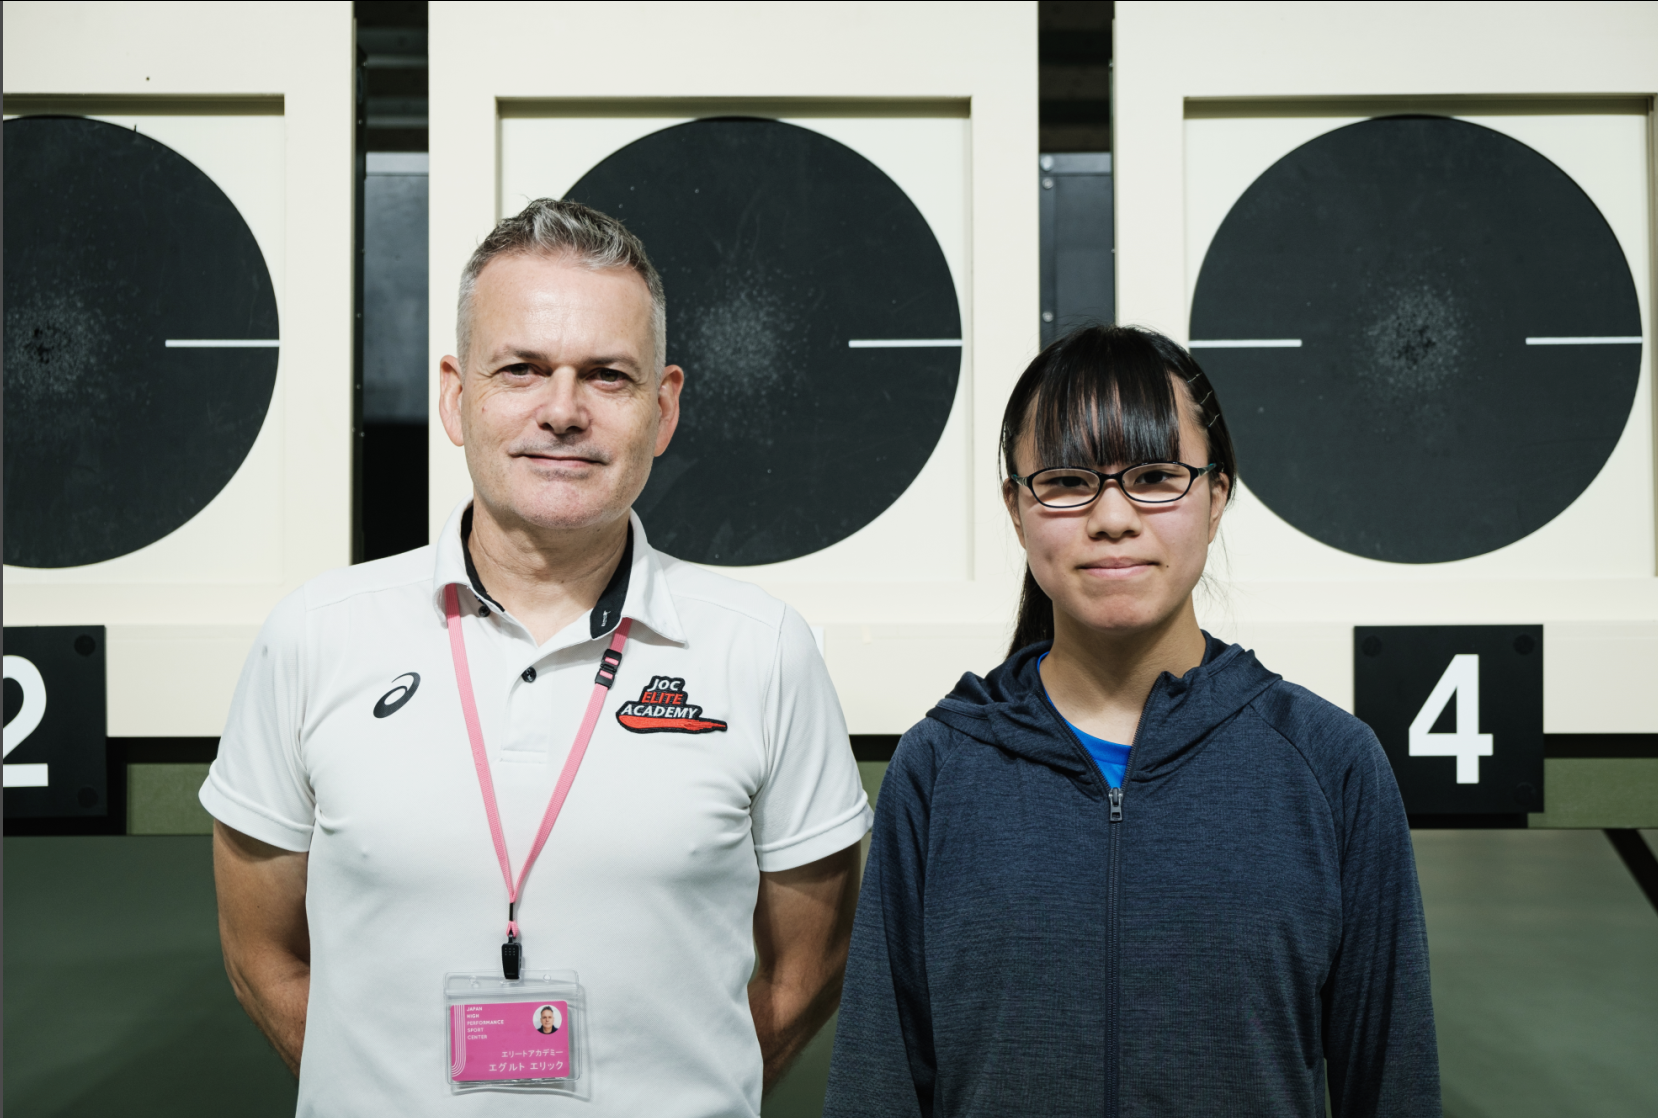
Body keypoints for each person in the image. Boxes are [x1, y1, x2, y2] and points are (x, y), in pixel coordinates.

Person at [202, 199, 870, 1116]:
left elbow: (810, 968)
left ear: (662, 406)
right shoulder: (315, 635)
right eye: (521, 369)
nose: (562, 411)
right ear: (455, 394)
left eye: (607, 376)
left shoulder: (762, 648)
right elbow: (259, 956)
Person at [825, 326, 1439, 1117]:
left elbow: (1393, 1087)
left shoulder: (1329, 765)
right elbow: (876, 1085)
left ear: (1217, 496)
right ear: (1015, 508)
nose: (1112, 517)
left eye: (1155, 476)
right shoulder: (940, 766)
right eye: (1066, 481)